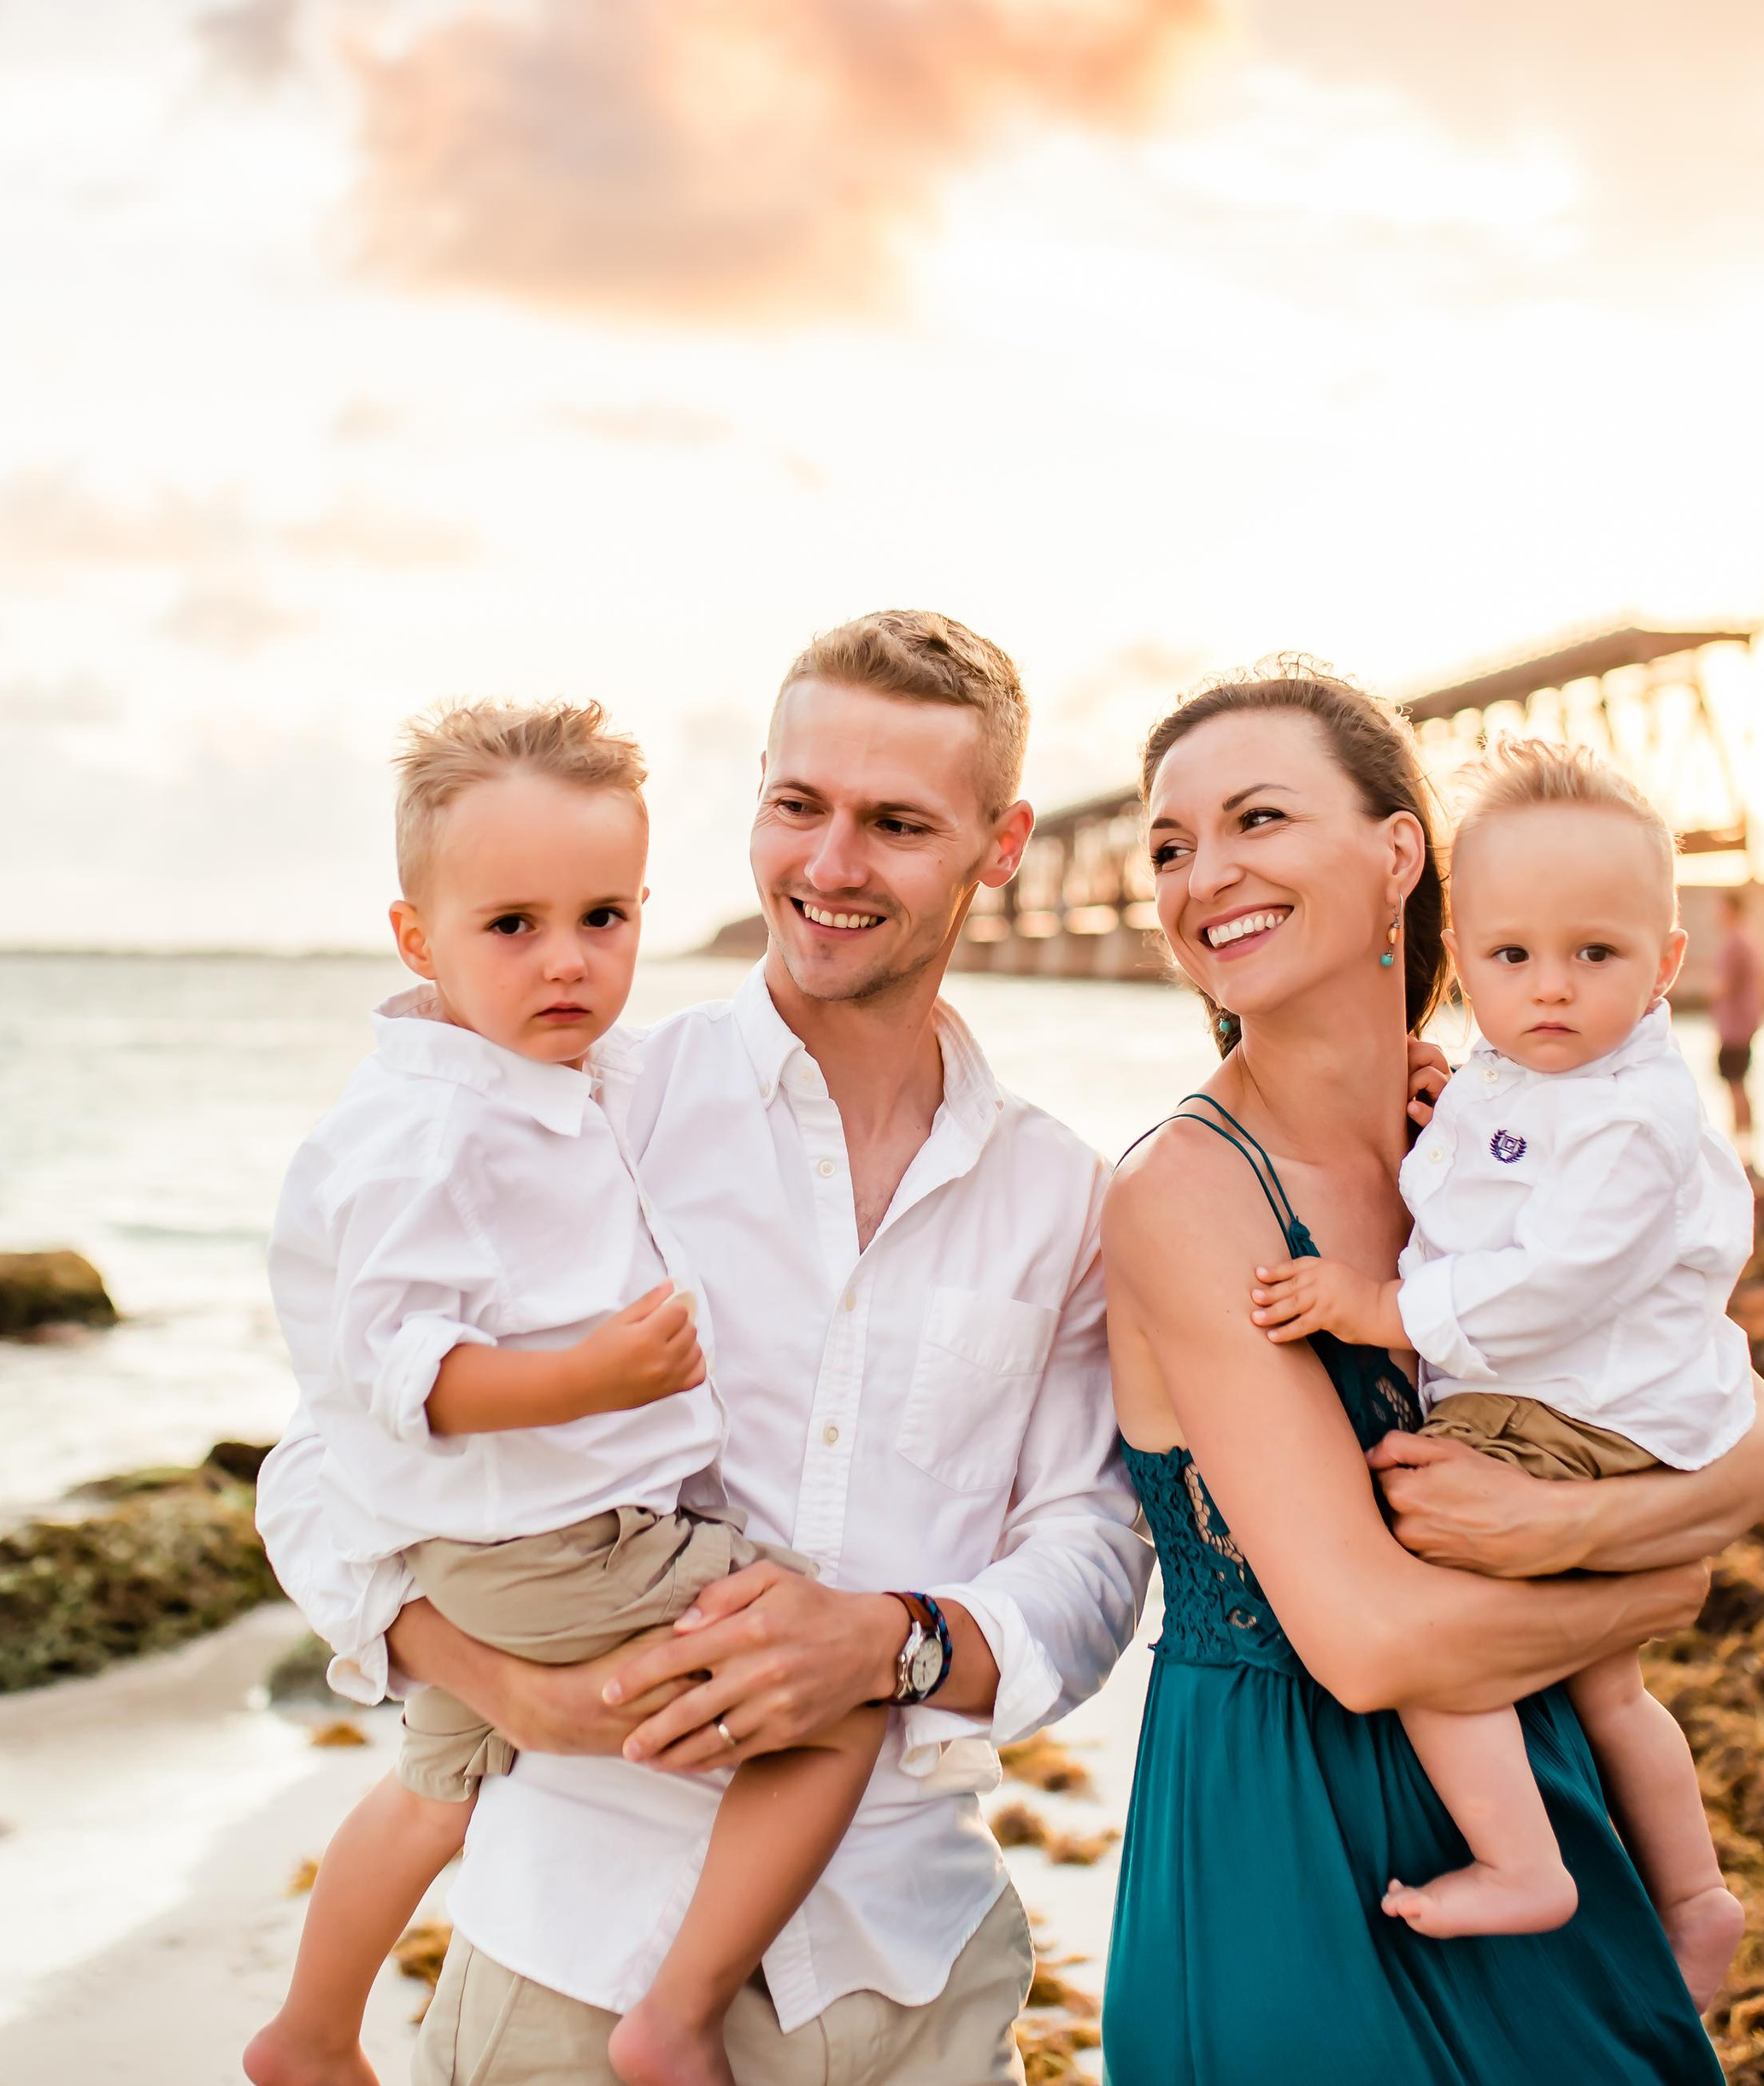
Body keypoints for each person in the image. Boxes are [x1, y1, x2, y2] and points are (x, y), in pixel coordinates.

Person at [256, 612, 1155, 2086]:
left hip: (909, 1973)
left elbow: (1092, 1547)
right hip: (572, 1957)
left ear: (1003, 846)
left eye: (896, 824)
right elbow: (321, 1459)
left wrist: (899, 1639)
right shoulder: (575, 1107)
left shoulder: (1061, 1195)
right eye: (798, 807)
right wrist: (485, 1675)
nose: (830, 866)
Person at [1099, 661, 1764, 2083]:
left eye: (1257, 820)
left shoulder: (1492, 1141)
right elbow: (1366, 1646)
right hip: (1293, 1857)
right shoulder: (1186, 1194)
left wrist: (1589, 1531)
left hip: (1536, 1806)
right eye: (1172, 846)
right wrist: (1658, 1575)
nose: (1203, 875)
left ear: (1397, 855)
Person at [244, 700, 886, 2086]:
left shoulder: (553, 1078)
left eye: (606, 918)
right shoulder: (433, 1129)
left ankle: (304, 2035)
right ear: (419, 938)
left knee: (433, 1792)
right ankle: (676, 2013)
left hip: (480, 1548)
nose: (569, 962)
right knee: (834, 1686)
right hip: (558, 1544)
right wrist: (597, 1376)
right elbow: (402, 1375)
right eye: (513, 925)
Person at [1248, 737, 1752, 2007]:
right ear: (1462, 958)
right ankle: (1695, 1900)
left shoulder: (1638, 1118)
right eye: (1510, 957)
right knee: (1610, 1683)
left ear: (1665, 968)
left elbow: (1553, 1280)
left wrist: (1380, 1308)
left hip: (1568, 1413)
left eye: (1597, 955)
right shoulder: (1521, 1072)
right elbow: (1484, 1172)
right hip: (1598, 1410)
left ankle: (1523, 1858)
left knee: (1426, 1582)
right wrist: (1444, 1100)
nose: (1550, 991)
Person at [1710, 888, 1763, 1165]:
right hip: (1744, 1024)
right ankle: (1747, 1150)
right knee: (1740, 1084)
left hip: (1734, 1027)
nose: (1716, 914)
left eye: (1720, 908)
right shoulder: (1748, 939)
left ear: (1730, 909)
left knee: (1735, 1086)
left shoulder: (1735, 943)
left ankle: (1740, 1153)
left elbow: (1724, 985)